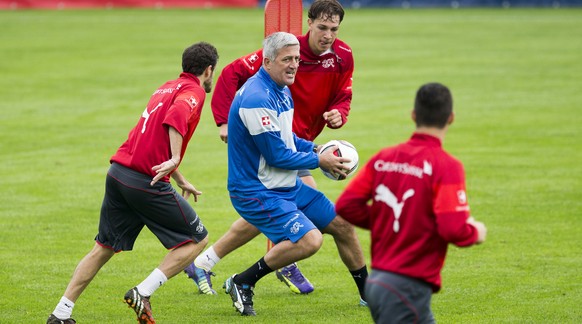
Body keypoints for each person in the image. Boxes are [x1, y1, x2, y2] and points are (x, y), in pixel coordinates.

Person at [185, 0, 365, 298]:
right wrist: (223, 121)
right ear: (309, 23)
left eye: (334, 29)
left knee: (268, 212)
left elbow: (343, 94)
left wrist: (339, 114)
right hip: (276, 142)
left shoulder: (343, 56)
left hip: (304, 143)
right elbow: (231, 73)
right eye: (322, 27)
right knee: (298, 223)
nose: (328, 35)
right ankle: (281, 263)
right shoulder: (284, 52)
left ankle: (205, 261)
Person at [46, 42, 219, 324]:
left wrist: (178, 176)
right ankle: (143, 292)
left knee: (102, 248)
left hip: (118, 174)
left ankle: (61, 312)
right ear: (208, 69)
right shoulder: (194, 91)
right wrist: (175, 158)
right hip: (143, 183)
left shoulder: (166, 87)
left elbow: (151, 139)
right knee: (197, 240)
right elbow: (176, 119)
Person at [217, 31, 365, 316]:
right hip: (256, 191)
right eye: (287, 59)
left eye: (297, 58)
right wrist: (318, 160)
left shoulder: (281, 89)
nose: (294, 64)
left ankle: (369, 295)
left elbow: (288, 139)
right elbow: (277, 155)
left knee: (343, 225)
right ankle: (242, 282)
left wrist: (316, 146)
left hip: (283, 186)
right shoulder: (256, 98)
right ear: (268, 61)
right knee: (310, 240)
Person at [335, 82, 488, 323]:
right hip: (406, 289)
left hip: (379, 283)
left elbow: (346, 205)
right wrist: (475, 232)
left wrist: (393, 218)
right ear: (451, 118)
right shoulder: (447, 166)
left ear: (414, 115)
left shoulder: (385, 158)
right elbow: (453, 228)